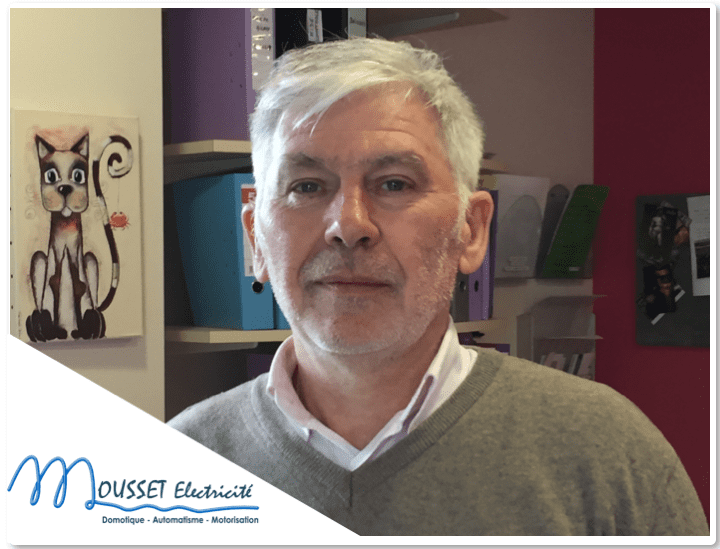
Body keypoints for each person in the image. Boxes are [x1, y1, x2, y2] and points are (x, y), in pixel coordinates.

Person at [169, 37, 709, 536]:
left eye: (394, 183)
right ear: (256, 240)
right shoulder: (176, 469)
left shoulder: (608, 454)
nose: (348, 225)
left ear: (470, 231)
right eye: (307, 186)